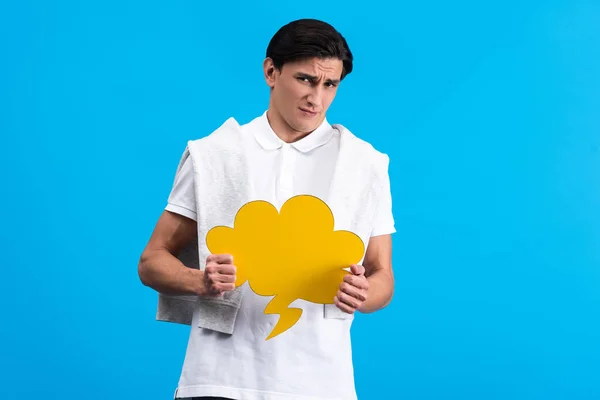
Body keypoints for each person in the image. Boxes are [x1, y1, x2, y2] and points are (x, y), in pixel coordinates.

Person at [138, 18, 395, 400]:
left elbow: (382, 277)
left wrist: (363, 293)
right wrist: (201, 282)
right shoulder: (215, 154)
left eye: (330, 85)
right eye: (306, 79)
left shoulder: (366, 164)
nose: (317, 98)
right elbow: (151, 261)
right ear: (271, 71)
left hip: (321, 383)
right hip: (217, 379)